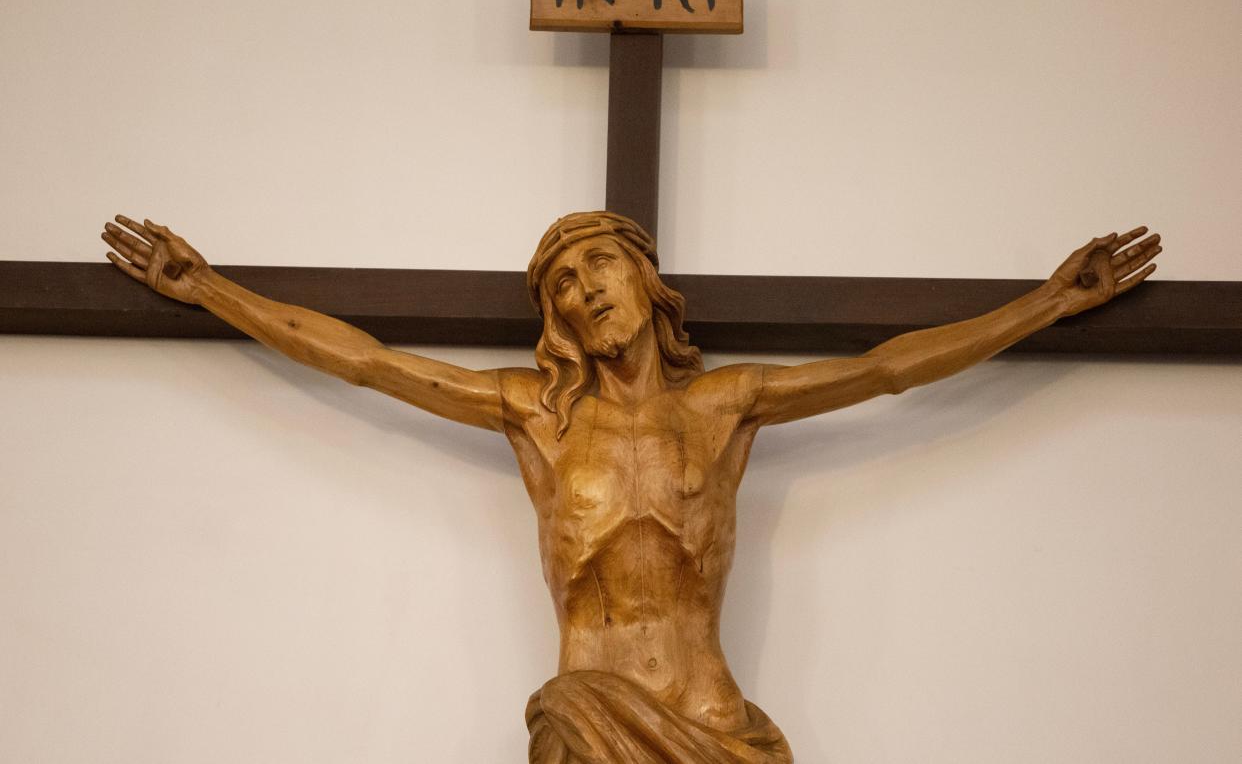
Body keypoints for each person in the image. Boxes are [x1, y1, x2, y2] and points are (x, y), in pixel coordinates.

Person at [101, 210, 1160, 763]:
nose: (581, 290)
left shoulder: (728, 402)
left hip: (715, 725)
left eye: (597, 266)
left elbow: (889, 366)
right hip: (585, 719)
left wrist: (1044, 307)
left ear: (644, 280)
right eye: (561, 286)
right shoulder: (539, 413)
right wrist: (214, 292)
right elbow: (370, 361)